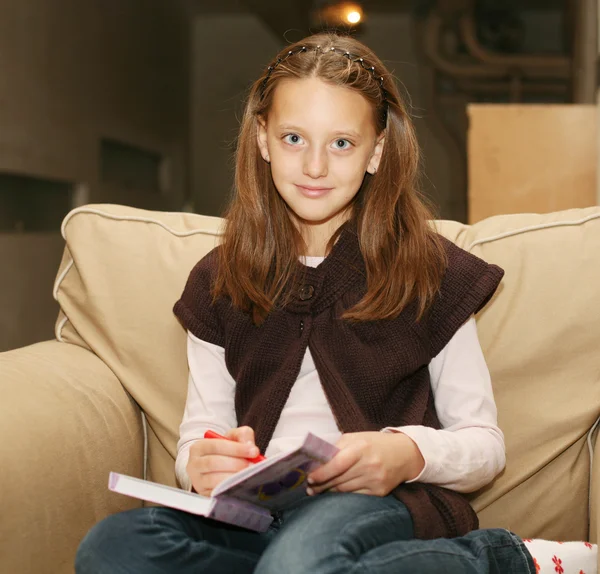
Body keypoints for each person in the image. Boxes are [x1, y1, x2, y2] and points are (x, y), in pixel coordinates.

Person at [75, 31, 538, 574]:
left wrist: (406, 454)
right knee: (112, 548)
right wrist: (200, 463)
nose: (315, 167)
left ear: (377, 153)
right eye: (294, 138)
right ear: (263, 139)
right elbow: (200, 433)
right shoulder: (218, 281)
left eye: (341, 143)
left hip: (378, 502)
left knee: (298, 561)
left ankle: (494, 557)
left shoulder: (430, 272)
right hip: (257, 516)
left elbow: (484, 446)